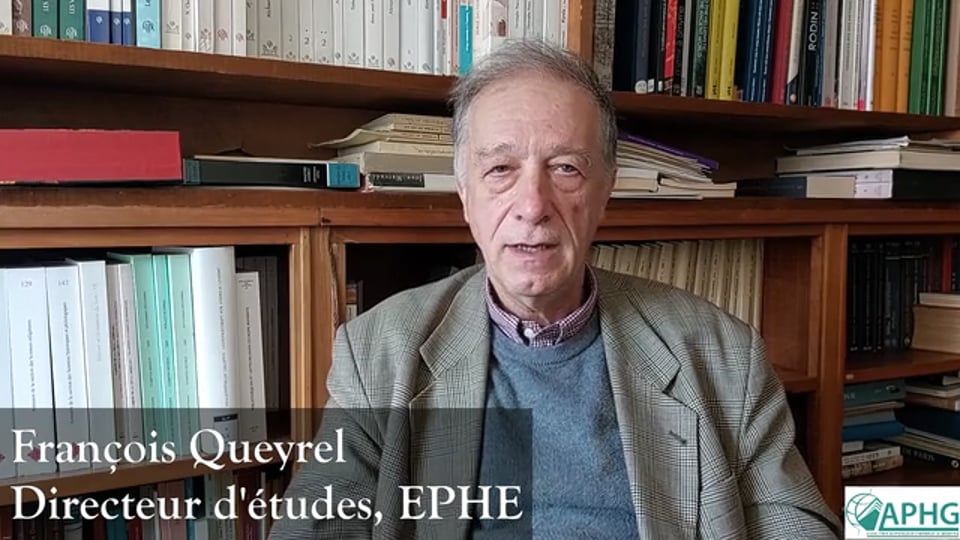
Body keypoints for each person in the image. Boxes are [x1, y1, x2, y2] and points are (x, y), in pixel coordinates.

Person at [269, 39, 841, 539]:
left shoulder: (723, 356)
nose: (533, 205)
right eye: (500, 170)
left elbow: (796, 524)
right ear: (465, 192)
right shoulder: (378, 352)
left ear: (605, 190)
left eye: (566, 167)